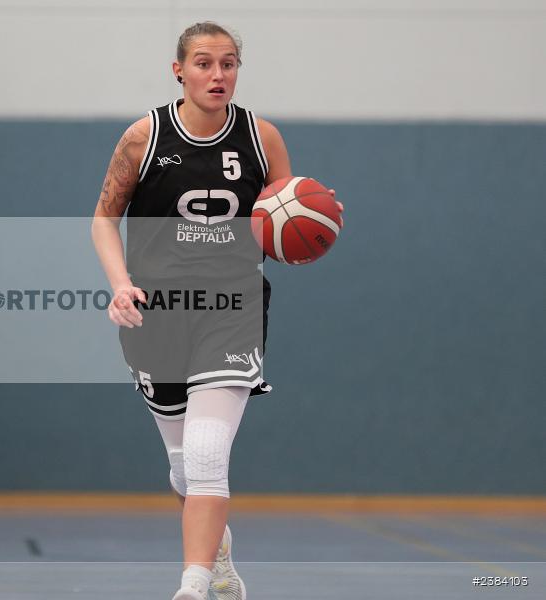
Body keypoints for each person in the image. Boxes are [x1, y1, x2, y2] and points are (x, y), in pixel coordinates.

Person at [91, 22, 343, 600]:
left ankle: (196, 584)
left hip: (233, 306)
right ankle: (217, 551)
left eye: (228, 63)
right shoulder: (143, 137)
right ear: (178, 70)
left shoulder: (262, 137)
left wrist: (316, 222)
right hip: (157, 312)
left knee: (208, 453)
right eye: (204, 63)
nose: (218, 74)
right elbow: (104, 218)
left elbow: (286, 213)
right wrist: (121, 283)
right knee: (183, 465)